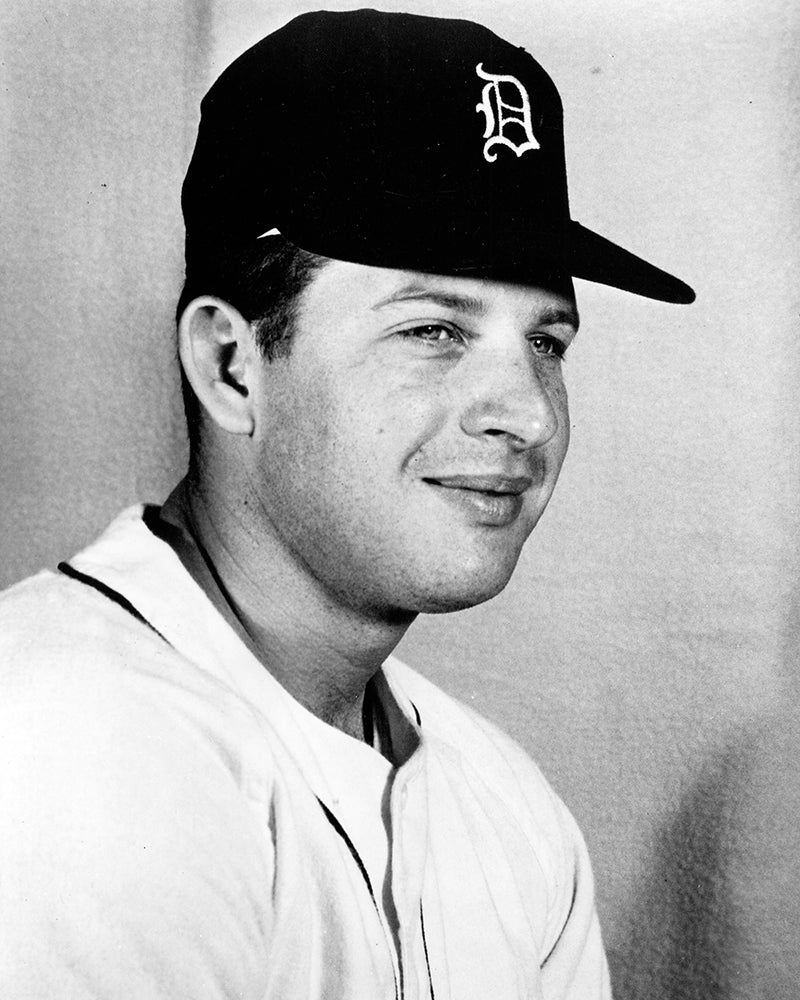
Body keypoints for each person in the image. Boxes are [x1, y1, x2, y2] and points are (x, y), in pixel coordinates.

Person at [0, 9, 694, 999]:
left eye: (545, 344)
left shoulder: (504, 806)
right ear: (231, 365)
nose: (526, 417)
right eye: (431, 330)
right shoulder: (65, 745)